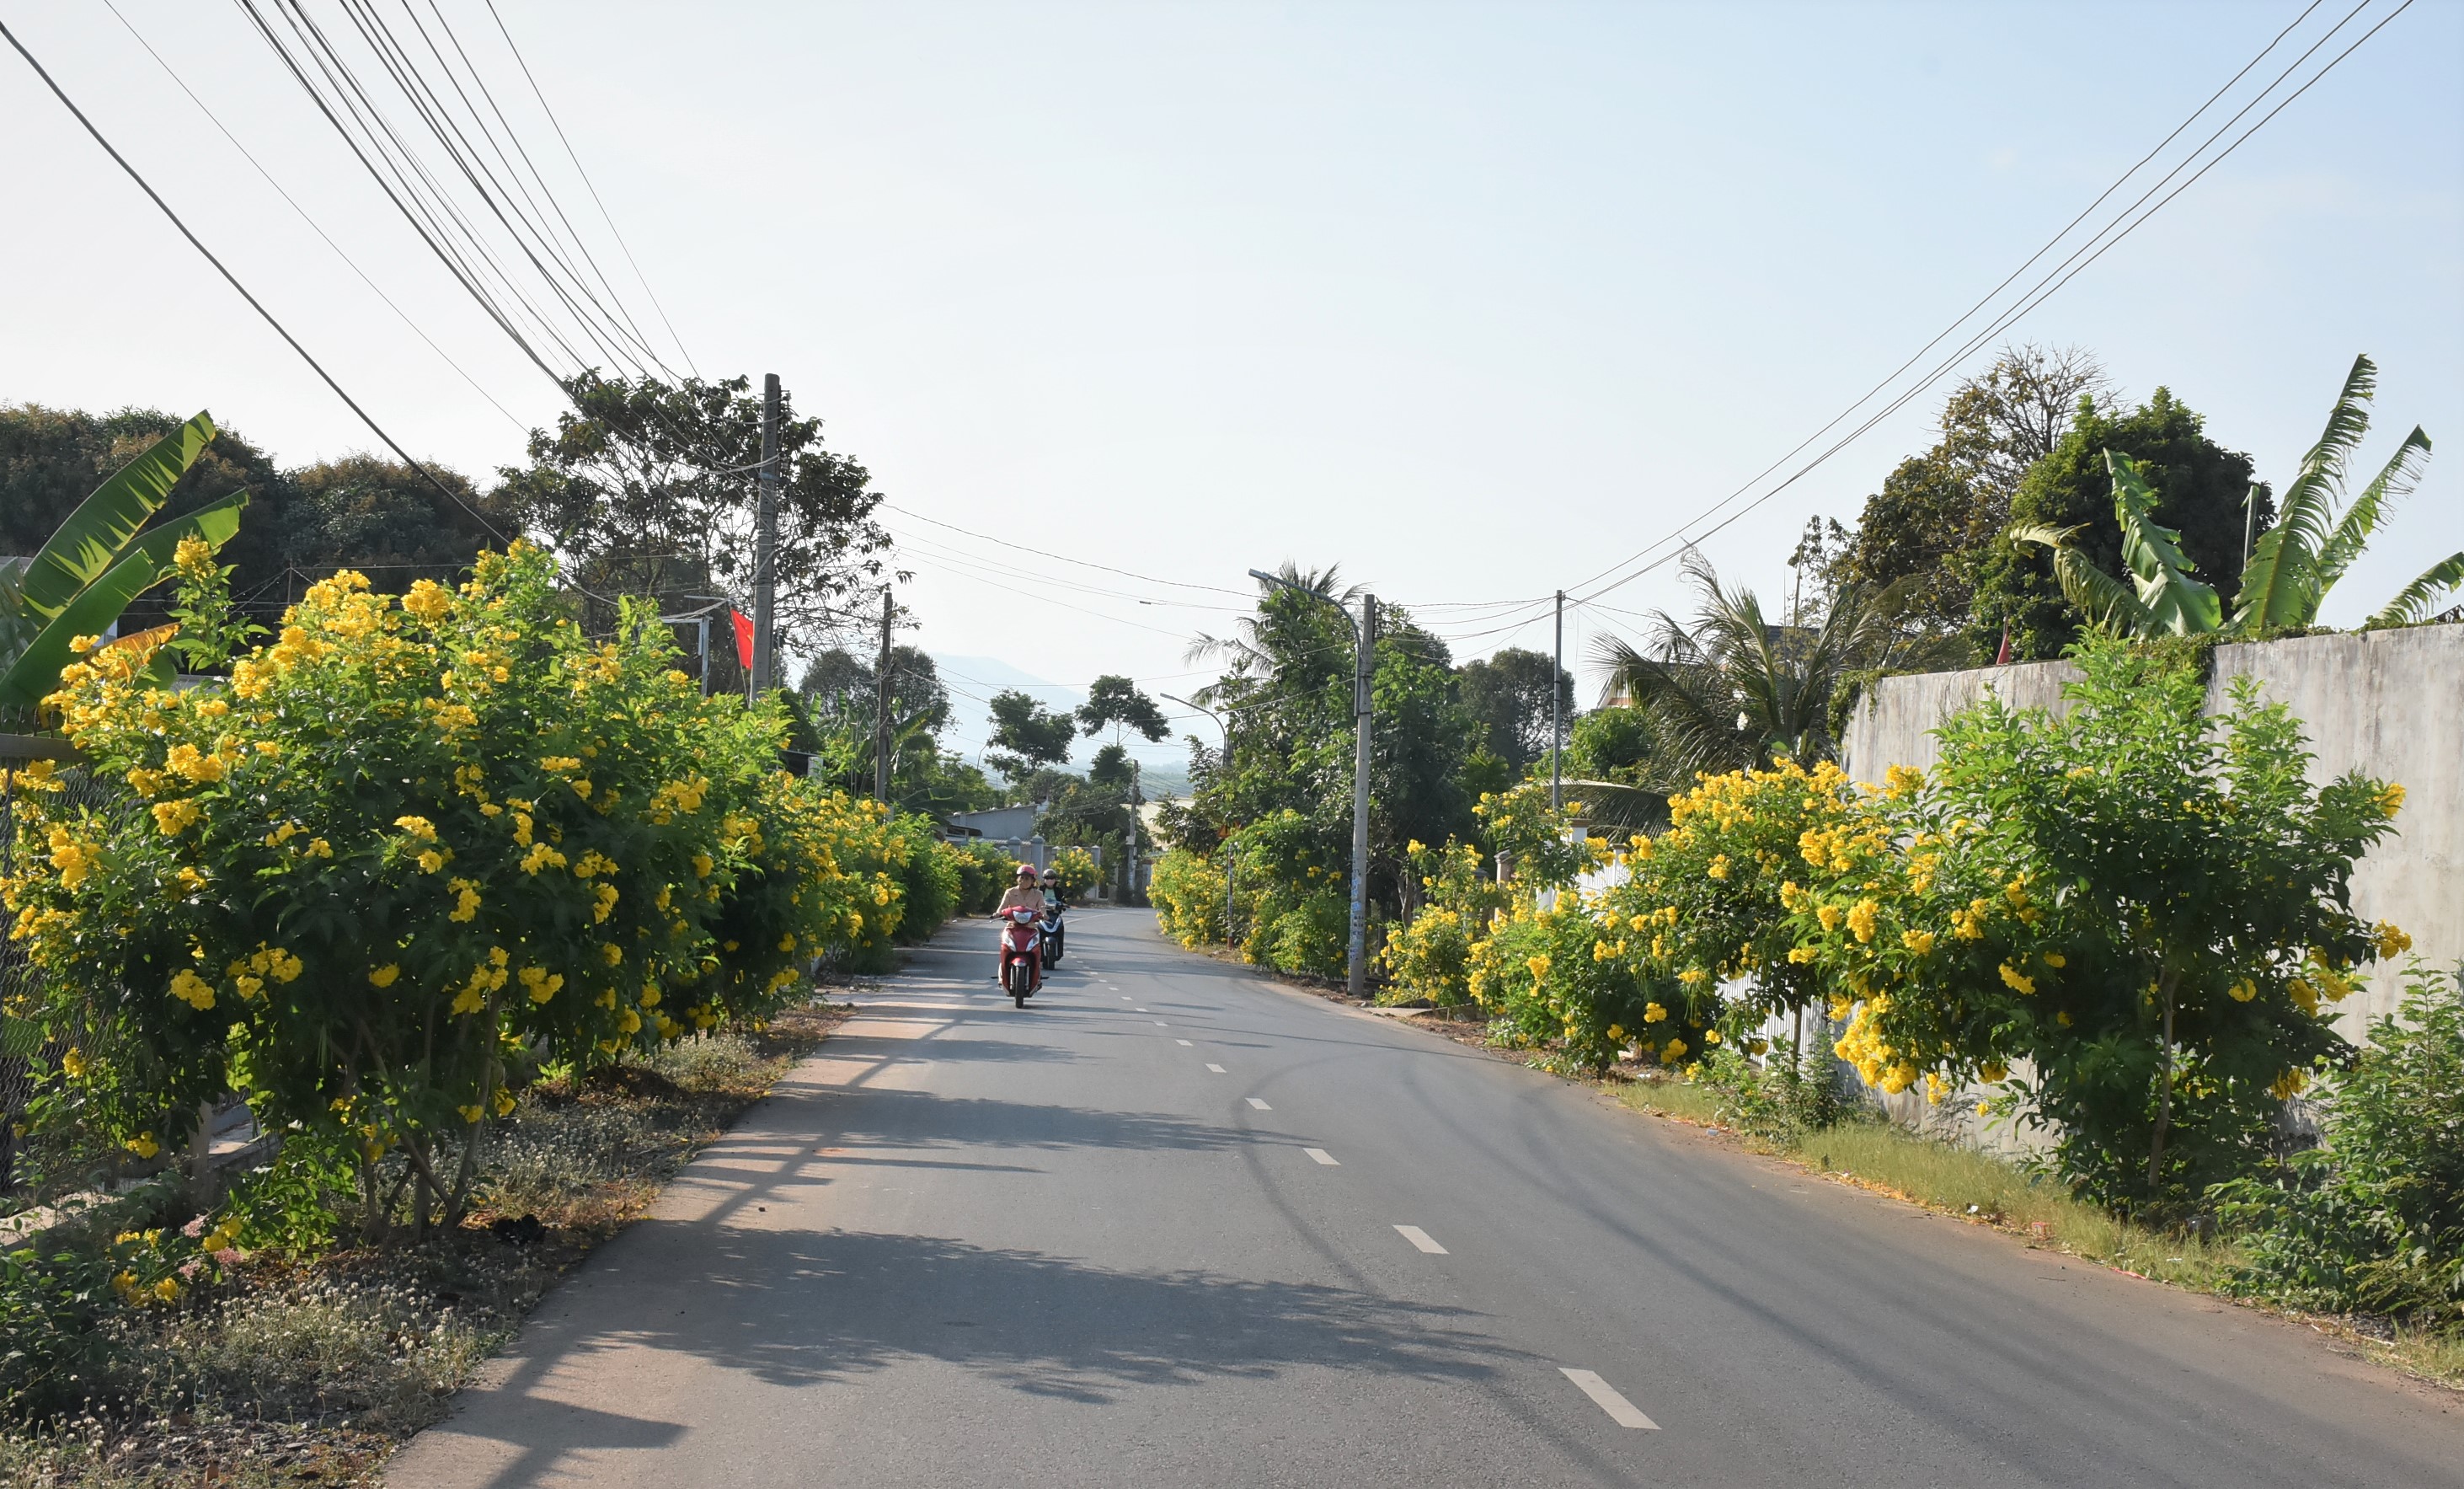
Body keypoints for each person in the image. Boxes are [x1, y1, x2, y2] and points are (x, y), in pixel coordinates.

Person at [994, 863, 1045, 981]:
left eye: (1027, 878)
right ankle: (1003, 972)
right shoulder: (1010, 892)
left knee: (1037, 948)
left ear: (1033, 881)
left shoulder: (1038, 894)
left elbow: (1042, 908)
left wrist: (1044, 915)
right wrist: (997, 913)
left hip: (1030, 928)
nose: (1023, 881)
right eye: (1021, 878)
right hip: (1012, 927)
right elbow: (1002, 907)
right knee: (1005, 947)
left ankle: (1037, 972)